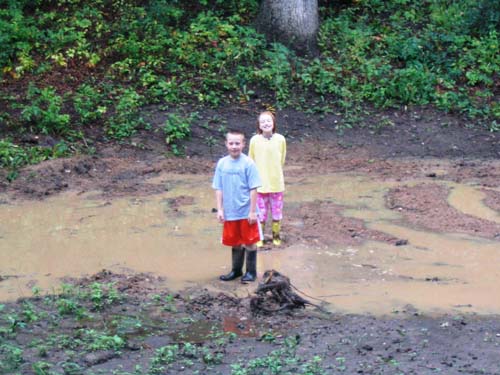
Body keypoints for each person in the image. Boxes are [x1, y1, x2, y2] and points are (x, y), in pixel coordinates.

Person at [212, 129, 262, 282]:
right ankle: (236, 271)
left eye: (237, 143)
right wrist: (220, 209)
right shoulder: (222, 164)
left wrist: (253, 211)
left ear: (243, 144)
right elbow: (218, 188)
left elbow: (254, 188)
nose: (234, 146)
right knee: (235, 242)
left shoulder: (248, 163)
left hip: (247, 211)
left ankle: (251, 272)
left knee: (250, 242)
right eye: (231, 143)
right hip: (230, 211)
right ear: (226, 144)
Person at [249, 111, 286, 247]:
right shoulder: (254, 140)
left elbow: (282, 159)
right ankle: (260, 236)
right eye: (263, 121)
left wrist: (276, 173)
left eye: (268, 121)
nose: (266, 123)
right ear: (259, 125)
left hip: (276, 183)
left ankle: (276, 235)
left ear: (273, 123)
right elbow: (251, 161)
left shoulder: (281, 139)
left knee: (277, 211)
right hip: (260, 184)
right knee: (261, 213)